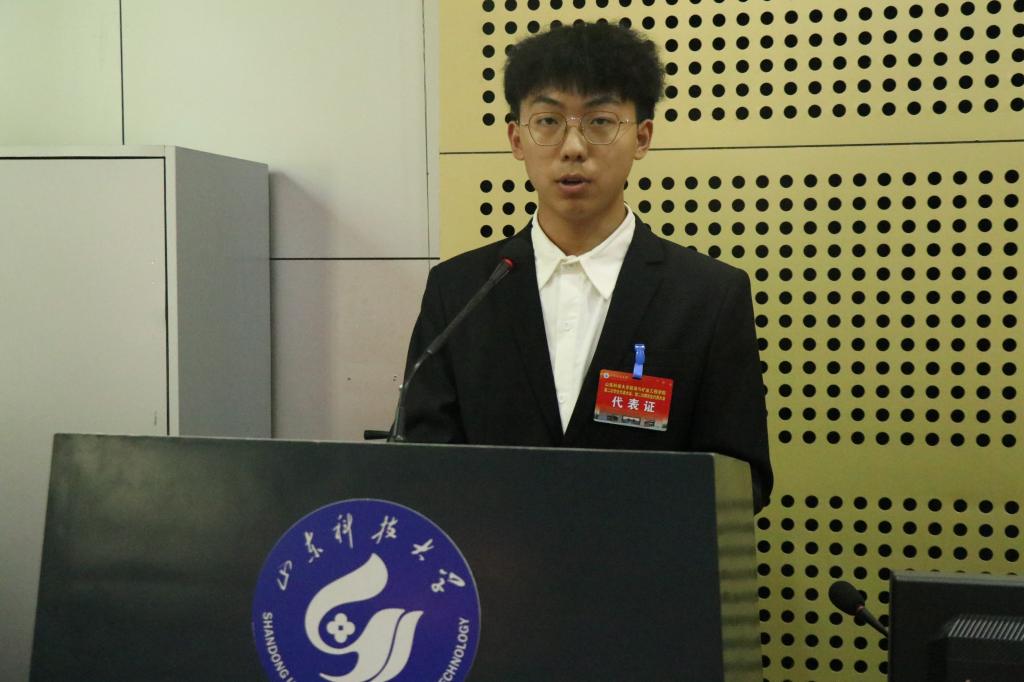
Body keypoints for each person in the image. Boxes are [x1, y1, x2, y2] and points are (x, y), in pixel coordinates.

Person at [401, 21, 773, 511]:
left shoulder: (708, 296)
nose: (573, 147)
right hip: (493, 559)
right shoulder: (460, 291)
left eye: (599, 121)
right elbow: (421, 462)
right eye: (548, 121)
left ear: (642, 137)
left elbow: (741, 480)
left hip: (641, 558)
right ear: (517, 139)